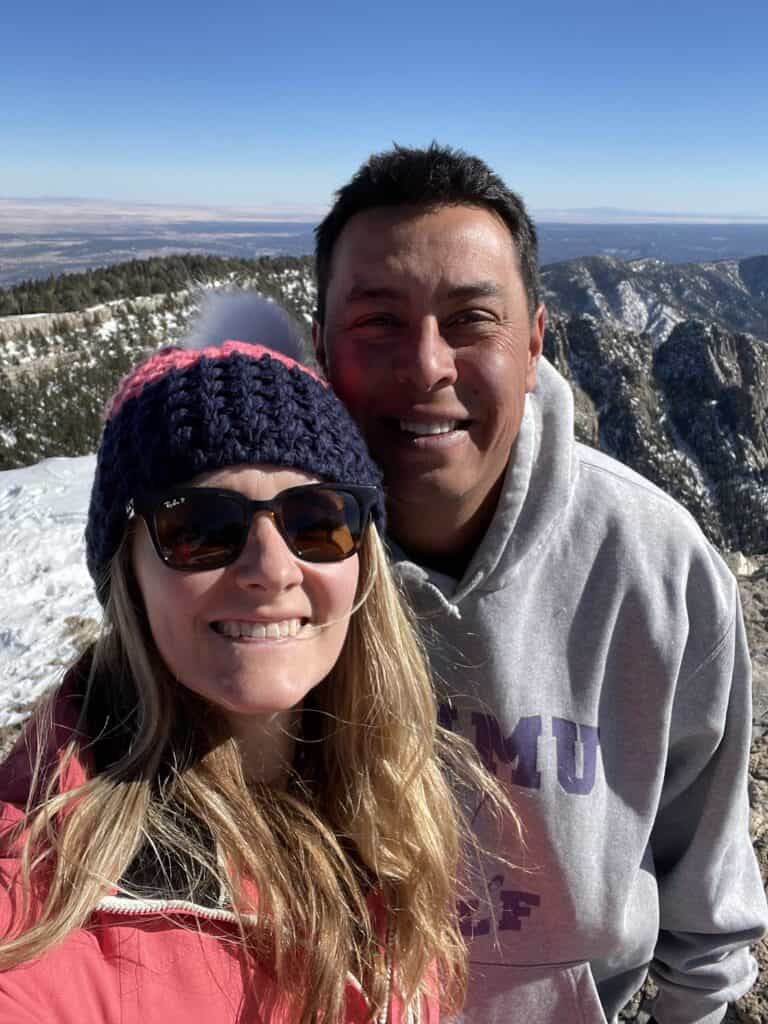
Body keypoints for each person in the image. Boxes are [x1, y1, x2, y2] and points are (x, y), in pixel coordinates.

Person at [307, 143, 768, 1024]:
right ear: (322, 344)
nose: (428, 364)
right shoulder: (265, 567)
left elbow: (707, 897)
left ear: (534, 342)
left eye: (471, 319)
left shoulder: (658, 567)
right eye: (379, 322)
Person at [0, 298, 510, 1023]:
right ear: (128, 571)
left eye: (317, 522)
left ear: (363, 555)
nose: (272, 569)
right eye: (201, 527)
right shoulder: (40, 915)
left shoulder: (388, 812)